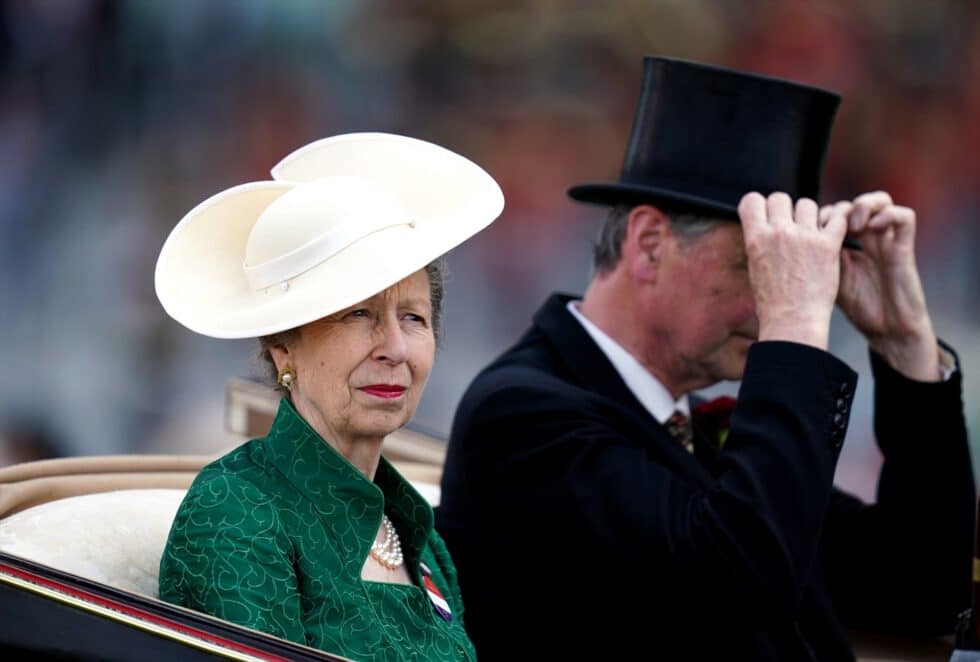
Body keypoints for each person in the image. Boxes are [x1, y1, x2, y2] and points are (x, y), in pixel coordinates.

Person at [436, 56, 975, 660]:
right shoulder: (524, 414)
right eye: (760, 267)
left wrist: (905, 348)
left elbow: (921, 592)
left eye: (787, 275)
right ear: (649, 245)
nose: (776, 300)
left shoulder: (701, 427)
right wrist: (795, 329)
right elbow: (745, 578)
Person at [154, 132, 504, 661]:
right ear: (282, 347)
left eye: (413, 317)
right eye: (357, 314)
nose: (394, 347)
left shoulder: (420, 535)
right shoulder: (237, 511)